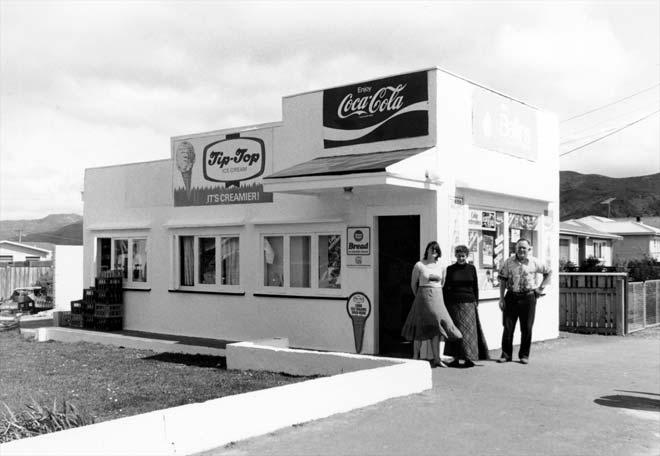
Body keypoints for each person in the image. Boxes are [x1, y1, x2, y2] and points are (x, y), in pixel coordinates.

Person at [401, 241, 462, 368]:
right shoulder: (419, 265)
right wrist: (420, 296)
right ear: (427, 250)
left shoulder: (442, 266)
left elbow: (442, 283)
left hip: (437, 298)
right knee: (419, 328)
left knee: (436, 328)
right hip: (422, 298)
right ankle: (415, 357)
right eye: (431, 249)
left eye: (436, 250)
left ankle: (437, 359)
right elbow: (413, 284)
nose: (433, 251)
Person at [497, 238, 552, 365]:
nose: (521, 250)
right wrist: (501, 298)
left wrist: (540, 288)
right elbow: (503, 280)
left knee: (527, 327)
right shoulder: (508, 262)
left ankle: (524, 355)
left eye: (524, 248)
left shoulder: (534, 262)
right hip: (511, 297)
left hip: (528, 297)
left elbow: (548, 272)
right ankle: (506, 355)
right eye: (519, 247)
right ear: (515, 249)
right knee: (508, 326)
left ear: (529, 249)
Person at [443, 245, 490, 367]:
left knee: (469, 332)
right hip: (454, 303)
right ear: (455, 256)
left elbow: (475, 286)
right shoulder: (450, 269)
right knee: (455, 331)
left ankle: (469, 358)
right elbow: (446, 288)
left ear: (466, 256)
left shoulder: (471, 268)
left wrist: (476, 301)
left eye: (463, 256)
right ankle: (456, 358)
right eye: (459, 256)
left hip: (469, 303)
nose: (461, 258)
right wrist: (445, 303)